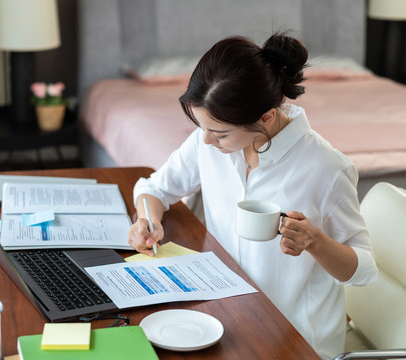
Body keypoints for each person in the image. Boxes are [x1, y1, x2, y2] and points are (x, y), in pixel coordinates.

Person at [127, 33, 378, 359]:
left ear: (266, 118)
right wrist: (148, 219)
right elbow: (154, 187)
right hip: (223, 314)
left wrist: (315, 241)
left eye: (219, 133)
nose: (205, 141)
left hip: (294, 339)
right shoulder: (212, 142)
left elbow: (364, 270)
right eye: (203, 128)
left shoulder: (327, 169)